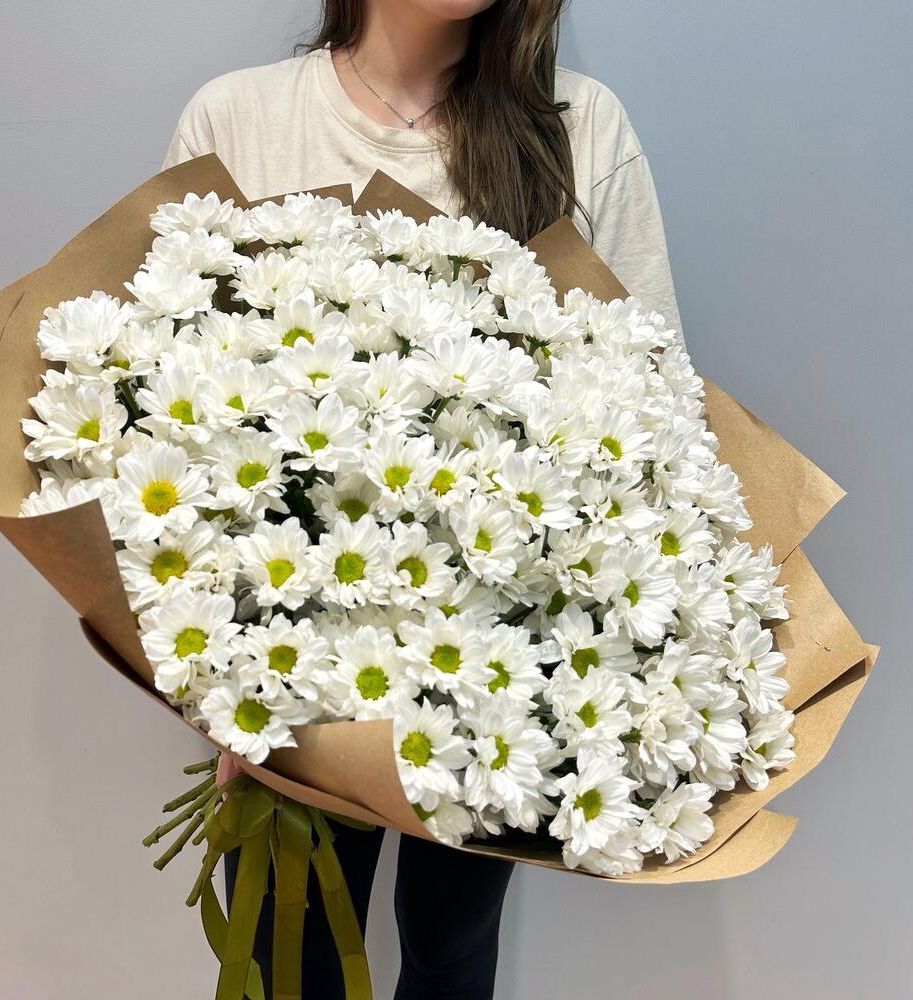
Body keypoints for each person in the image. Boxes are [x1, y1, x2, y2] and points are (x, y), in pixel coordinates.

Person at [162, 2, 683, 997]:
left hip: (505, 671)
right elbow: (171, 420)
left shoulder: (578, 127)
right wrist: (217, 680)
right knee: (289, 961)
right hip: (292, 671)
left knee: (450, 954)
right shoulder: (239, 120)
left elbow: (653, 403)